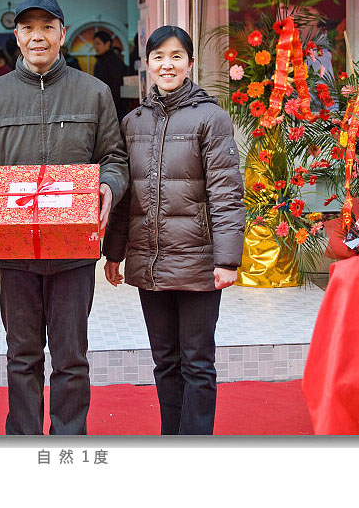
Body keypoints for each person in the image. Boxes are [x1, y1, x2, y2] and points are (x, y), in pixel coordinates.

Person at [0, 0, 129, 435]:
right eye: (28, 28)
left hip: (74, 250)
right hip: (15, 253)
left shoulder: (94, 93)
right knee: (22, 355)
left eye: (47, 27)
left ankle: (68, 442)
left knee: (71, 358)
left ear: (62, 34)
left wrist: (109, 187)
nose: (38, 36)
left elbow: (114, 158)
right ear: (16, 36)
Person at [103, 25, 246, 435]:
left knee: (197, 362)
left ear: (190, 63)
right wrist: (114, 253)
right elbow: (125, 197)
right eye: (159, 57)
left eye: (176, 56)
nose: (167, 65)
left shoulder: (212, 119)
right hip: (149, 261)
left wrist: (227, 259)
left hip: (199, 262)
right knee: (165, 361)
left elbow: (226, 192)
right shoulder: (132, 122)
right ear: (147, 64)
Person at [92, 30, 125, 117]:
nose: (95, 47)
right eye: (94, 44)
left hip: (111, 107)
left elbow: (115, 87)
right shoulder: (100, 61)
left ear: (107, 44)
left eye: (98, 44)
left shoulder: (113, 61)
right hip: (104, 105)